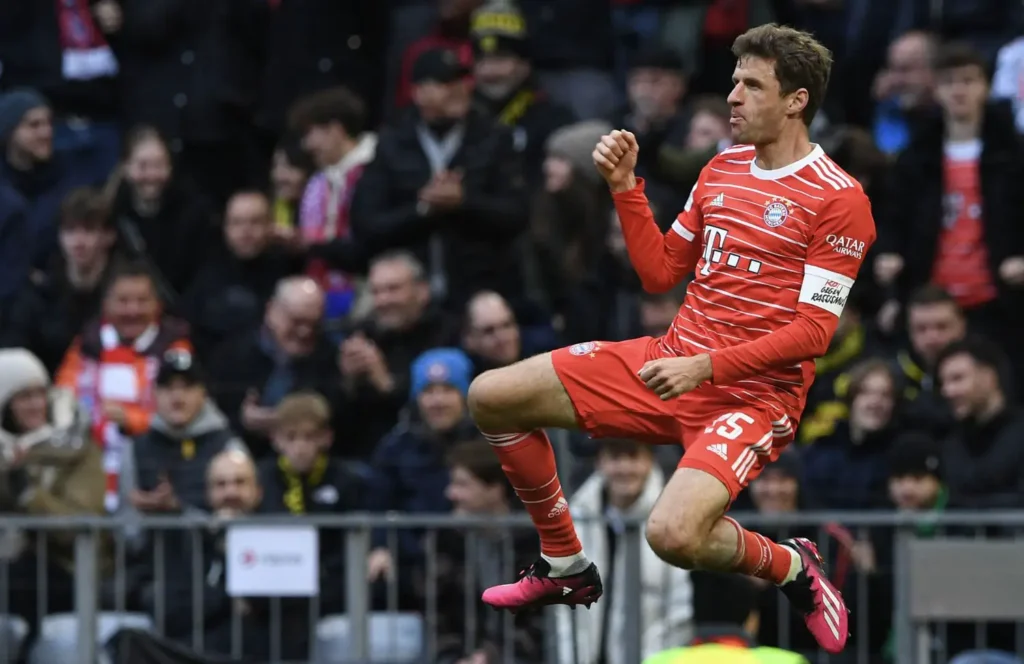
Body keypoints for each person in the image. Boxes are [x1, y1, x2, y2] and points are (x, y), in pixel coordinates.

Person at [467, 24, 876, 655]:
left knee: (674, 537)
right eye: (734, 81)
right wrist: (625, 188)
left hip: (750, 397)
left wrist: (706, 367)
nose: (733, 96)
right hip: (670, 361)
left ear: (796, 100)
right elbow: (660, 271)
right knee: (491, 397)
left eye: (752, 85)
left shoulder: (839, 199)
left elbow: (813, 332)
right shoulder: (721, 167)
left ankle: (793, 567)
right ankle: (565, 564)